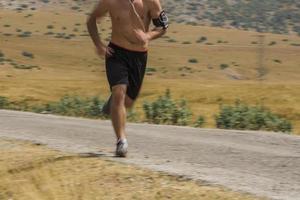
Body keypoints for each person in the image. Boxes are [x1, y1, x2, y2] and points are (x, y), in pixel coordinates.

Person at [87, 0, 168, 157]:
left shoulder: (151, 2)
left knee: (128, 101)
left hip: (139, 56)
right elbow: (91, 20)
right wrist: (98, 45)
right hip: (116, 54)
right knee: (119, 92)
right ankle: (121, 141)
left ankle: (113, 105)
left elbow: (162, 27)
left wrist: (148, 36)